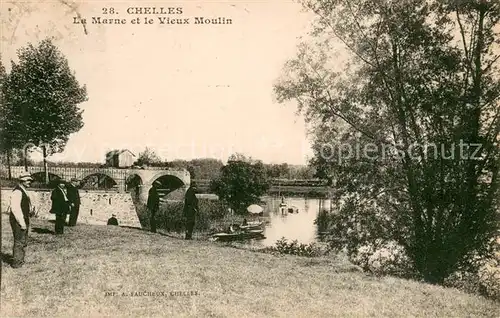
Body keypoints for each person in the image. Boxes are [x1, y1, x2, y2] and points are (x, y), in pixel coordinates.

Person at [8, 173, 34, 268]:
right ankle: (17, 263)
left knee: (23, 240)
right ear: (22, 181)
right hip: (18, 220)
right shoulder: (17, 192)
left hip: (24, 218)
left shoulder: (23, 190)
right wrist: (21, 223)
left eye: (30, 180)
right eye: (28, 180)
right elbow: (15, 209)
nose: (30, 182)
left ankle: (20, 260)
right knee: (19, 241)